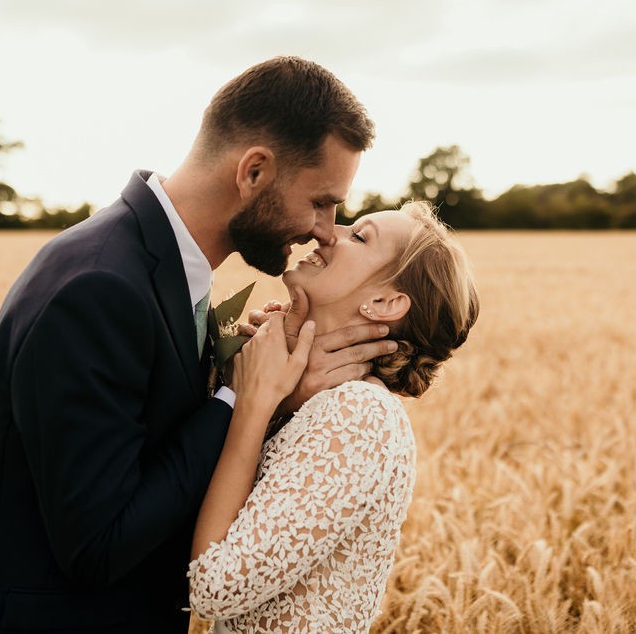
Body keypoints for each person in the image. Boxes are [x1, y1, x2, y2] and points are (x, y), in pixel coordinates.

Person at [0, 56, 397, 633]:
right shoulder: (97, 289)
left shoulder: (166, 273)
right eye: (320, 201)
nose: (326, 228)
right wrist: (238, 397)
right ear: (253, 172)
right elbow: (98, 546)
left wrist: (274, 401)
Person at [188, 201, 479, 633]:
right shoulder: (317, 402)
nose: (328, 232)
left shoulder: (362, 416)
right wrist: (261, 391)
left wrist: (255, 400)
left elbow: (213, 587)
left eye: (359, 236)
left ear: (383, 302)